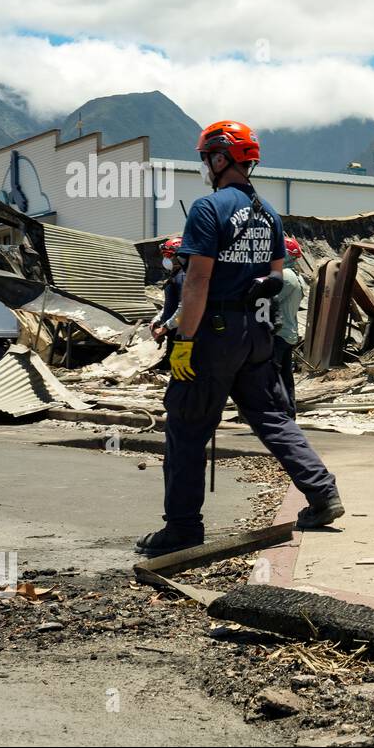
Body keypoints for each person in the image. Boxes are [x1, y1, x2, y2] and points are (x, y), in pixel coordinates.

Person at [136, 120, 344, 557]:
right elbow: (275, 276)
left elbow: (196, 282)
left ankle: (182, 529)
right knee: (272, 417)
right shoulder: (268, 214)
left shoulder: (208, 209)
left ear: (218, 158)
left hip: (212, 335)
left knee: (188, 428)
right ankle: (323, 494)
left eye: (206, 158)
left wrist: (185, 339)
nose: (205, 167)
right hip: (257, 335)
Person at [272, 236, 307, 413]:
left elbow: (269, 299)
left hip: (278, 333)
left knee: (272, 376)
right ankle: (288, 412)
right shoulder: (296, 276)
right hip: (288, 333)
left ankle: (276, 414)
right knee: (285, 377)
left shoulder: (285, 277)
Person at [150, 237, 185, 344]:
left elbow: (185, 308)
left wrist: (165, 327)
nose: (165, 260)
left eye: (168, 255)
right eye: (164, 256)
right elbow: (170, 305)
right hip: (173, 333)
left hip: (182, 336)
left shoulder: (183, 277)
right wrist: (157, 320)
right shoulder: (176, 275)